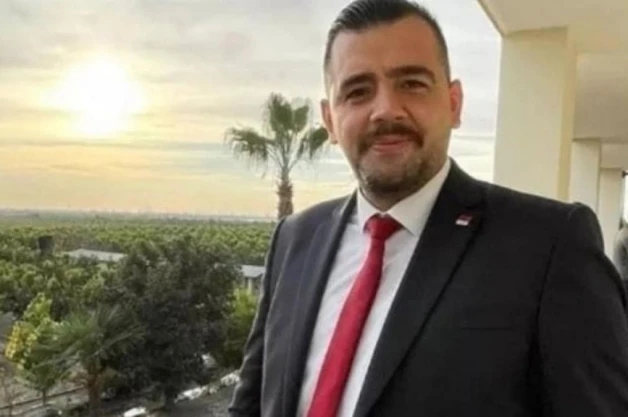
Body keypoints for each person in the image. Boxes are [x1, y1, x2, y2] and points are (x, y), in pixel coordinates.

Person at [227, 0, 628, 416]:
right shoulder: (295, 240)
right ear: (330, 119)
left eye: (412, 84)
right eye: (358, 91)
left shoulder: (549, 246)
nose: (386, 110)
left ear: (454, 103)